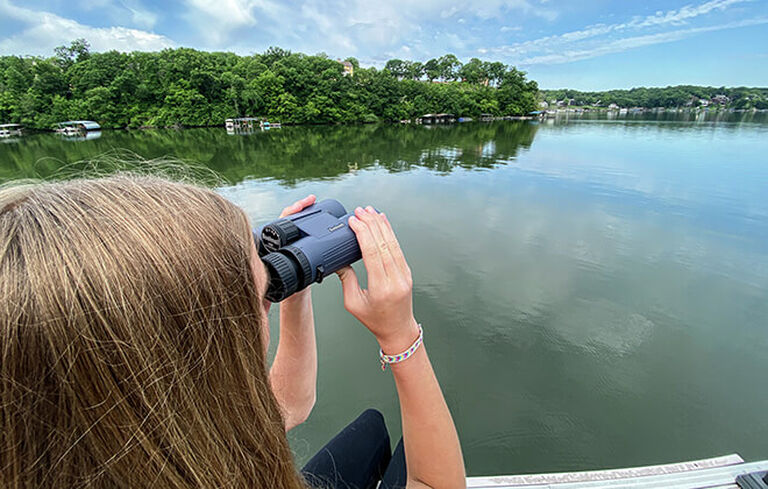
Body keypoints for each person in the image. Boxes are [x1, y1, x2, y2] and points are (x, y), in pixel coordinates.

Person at [0, 175, 465, 488]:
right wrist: (400, 335)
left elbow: (290, 404)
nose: (266, 295)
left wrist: (296, 287)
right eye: (260, 293)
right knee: (406, 452)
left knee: (371, 430)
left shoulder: (125, 428)